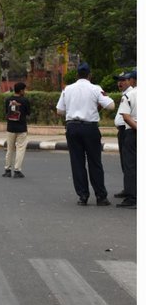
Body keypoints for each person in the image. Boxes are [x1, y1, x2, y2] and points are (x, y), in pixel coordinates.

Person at [56, 63, 115, 205]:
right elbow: (111, 106)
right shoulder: (95, 89)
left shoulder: (67, 89)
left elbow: (59, 111)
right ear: (90, 75)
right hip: (90, 128)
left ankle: (83, 196)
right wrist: (96, 107)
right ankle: (101, 196)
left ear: (77, 75)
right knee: (95, 161)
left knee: (77, 162)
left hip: (72, 128)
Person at [113, 71, 136, 208]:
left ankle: (132, 194)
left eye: (123, 80)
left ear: (131, 81)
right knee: (126, 163)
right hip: (124, 131)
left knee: (130, 164)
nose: (120, 83)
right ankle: (129, 189)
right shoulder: (126, 94)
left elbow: (127, 117)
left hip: (129, 130)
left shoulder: (130, 94)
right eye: (118, 80)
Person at [2, 81, 31, 177]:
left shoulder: (8, 100)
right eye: (24, 90)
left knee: (9, 149)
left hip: (10, 128)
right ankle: (17, 171)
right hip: (21, 128)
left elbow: (6, 112)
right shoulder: (25, 101)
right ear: (21, 90)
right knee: (20, 149)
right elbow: (28, 113)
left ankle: (7, 170)